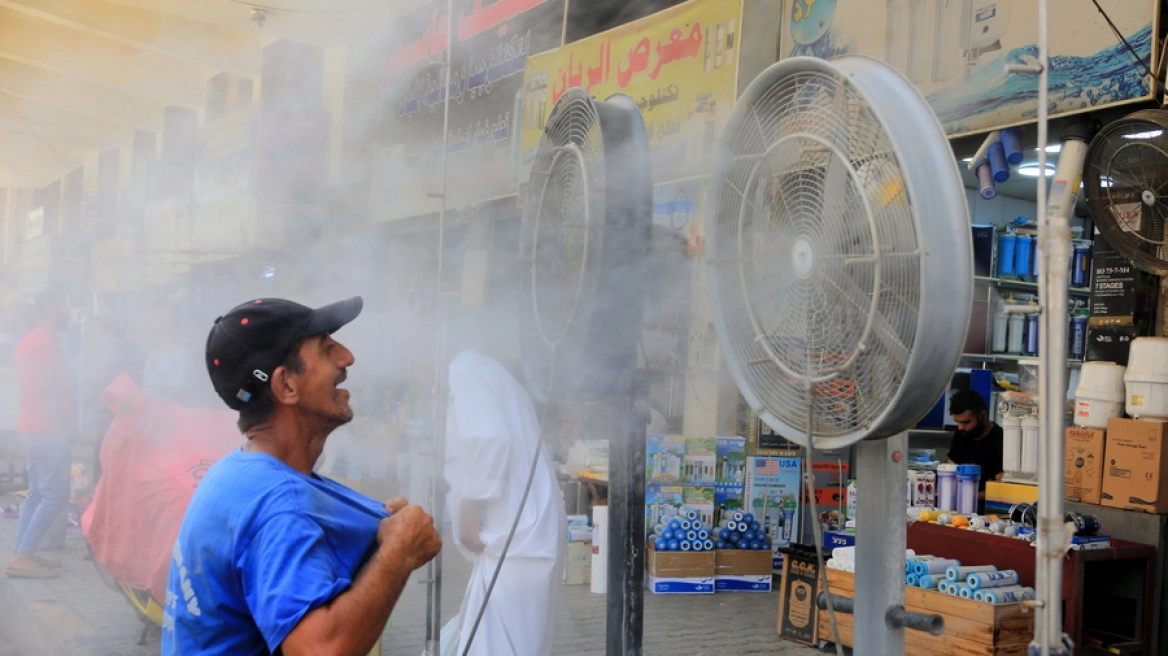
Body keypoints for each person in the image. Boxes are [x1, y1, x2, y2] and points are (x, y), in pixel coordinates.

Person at [161, 297, 442, 655]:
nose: (347, 357)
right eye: (326, 349)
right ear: (286, 386)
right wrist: (398, 552)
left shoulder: (237, 473)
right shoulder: (281, 505)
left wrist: (385, 537)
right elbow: (319, 650)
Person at [443, 318, 566, 656]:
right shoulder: (485, 371)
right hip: (520, 533)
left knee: (500, 644)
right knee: (504, 640)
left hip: (517, 535)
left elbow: (491, 438)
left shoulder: (464, 370)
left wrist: (469, 510)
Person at [7, 291, 72, 579]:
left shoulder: (30, 340)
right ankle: (23, 557)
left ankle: (23, 552)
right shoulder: (44, 343)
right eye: (63, 307)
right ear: (50, 309)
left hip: (33, 428)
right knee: (54, 495)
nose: (67, 313)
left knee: (37, 494)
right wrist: (59, 425)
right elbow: (45, 387)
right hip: (45, 430)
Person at [947, 388, 1005, 503]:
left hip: (987, 507)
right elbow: (952, 467)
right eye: (957, 422)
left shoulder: (1000, 440)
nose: (960, 427)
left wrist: (968, 495)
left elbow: (1002, 489)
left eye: (966, 422)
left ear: (982, 416)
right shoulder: (961, 434)